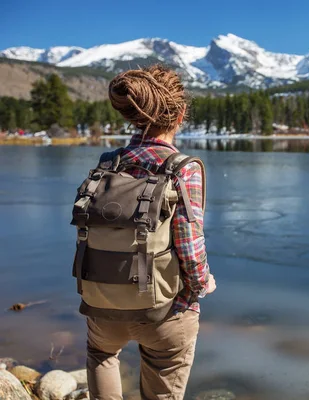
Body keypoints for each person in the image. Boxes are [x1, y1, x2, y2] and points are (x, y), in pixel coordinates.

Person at [74, 64, 215, 400]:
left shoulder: (108, 163)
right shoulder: (184, 168)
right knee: (164, 377)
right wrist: (200, 286)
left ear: (134, 116)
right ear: (180, 114)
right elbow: (189, 242)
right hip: (164, 309)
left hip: (101, 301)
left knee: (102, 355)